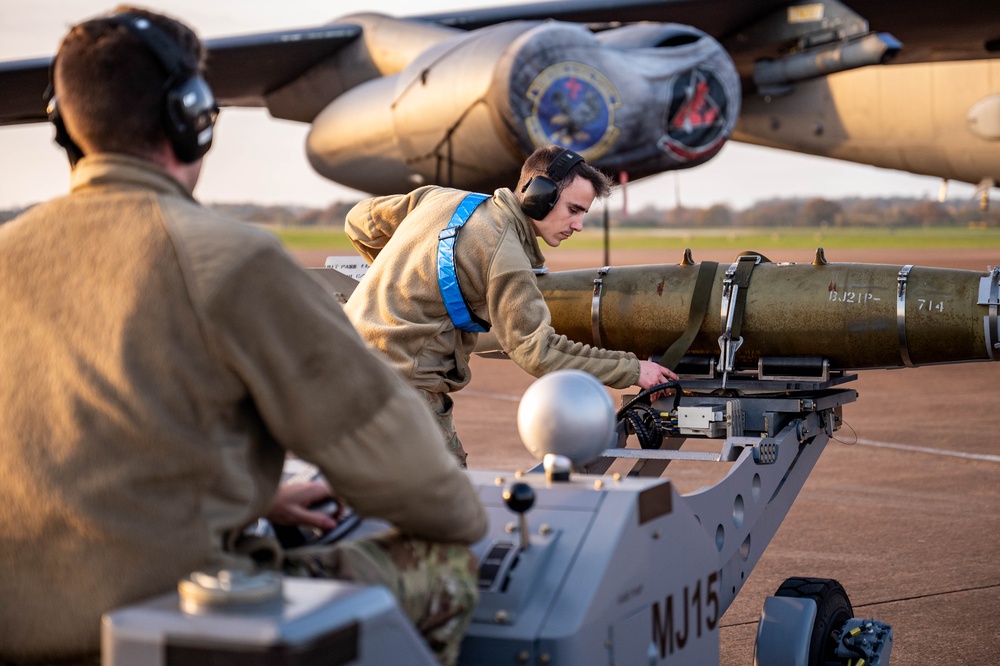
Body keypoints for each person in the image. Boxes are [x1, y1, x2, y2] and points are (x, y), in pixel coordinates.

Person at [0, 7, 486, 666]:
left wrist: (259, 497)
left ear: (65, 126)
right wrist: (468, 519)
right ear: (194, 118)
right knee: (447, 565)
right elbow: (416, 479)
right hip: (165, 629)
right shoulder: (228, 259)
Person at [345, 145, 678, 467]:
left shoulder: (440, 198)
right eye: (573, 210)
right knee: (450, 505)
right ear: (538, 195)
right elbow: (539, 352)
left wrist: (398, 277)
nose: (578, 225)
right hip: (401, 389)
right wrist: (634, 370)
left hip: (343, 364)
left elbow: (358, 221)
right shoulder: (504, 258)